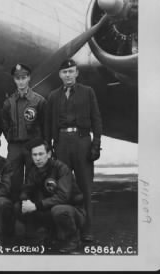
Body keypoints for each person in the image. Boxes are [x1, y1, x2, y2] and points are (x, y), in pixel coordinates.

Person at [44, 59, 102, 242]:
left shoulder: (88, 92)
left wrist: (96, 144)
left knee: (85, 187)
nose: (68, 75)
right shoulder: (53, 96)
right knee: (61, 188)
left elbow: (96, 119)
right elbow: (47, 124)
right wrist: (48, 149)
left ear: (77, 73)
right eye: (64, 72)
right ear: (60, 75)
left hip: (82, 142)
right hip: (61, 143)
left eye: (71, 71)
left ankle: (87, 230)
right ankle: (61, 229)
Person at [16, 138, 85, 253]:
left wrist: (36, 205)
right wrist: (25, 200)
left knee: (59, 210)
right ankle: (47, 233)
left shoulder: (61, 168)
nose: (37, 158)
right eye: (34, 155)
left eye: (41, 154)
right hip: (49, 209)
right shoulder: (33, 170)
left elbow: (63, 197)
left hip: (72, 211)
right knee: (18, 207)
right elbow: (26, 189)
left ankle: (73, 239)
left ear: (48, 154)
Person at [2, 63, 46, 201]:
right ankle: (16, 214)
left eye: (24, 78)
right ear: (14, 80)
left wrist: (40, 144)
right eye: (17, 78)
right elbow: (4, 124)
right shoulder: (8, 102)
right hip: (15, 146)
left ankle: (33, 216)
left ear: (29, 78)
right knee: (13, 181)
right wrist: (11, 137)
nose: (21, 81)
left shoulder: (39, 101)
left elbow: (45, 125)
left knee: (34, 180)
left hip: (32, 146)